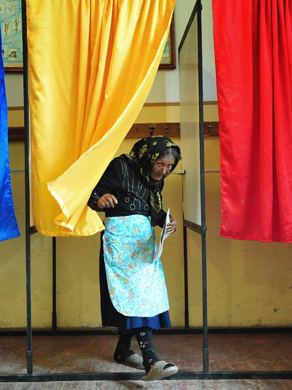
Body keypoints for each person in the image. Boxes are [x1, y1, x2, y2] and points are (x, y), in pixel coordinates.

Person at [88, 136, 181, 381]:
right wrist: (99, 200)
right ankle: (151, 361)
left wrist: (165, 221)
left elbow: (150, 210)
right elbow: (90, 192)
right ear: (148, 157)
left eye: (170, 166)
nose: (164, 170)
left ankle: (122, 350)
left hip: (144, 244)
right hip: (121, 243)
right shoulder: (121, 166)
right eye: (160, 164)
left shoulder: (153, 181)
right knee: (134, 296)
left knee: (143, 295)